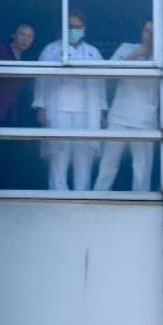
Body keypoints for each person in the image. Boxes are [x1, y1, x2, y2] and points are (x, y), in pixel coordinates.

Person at [32, 10, 106, 191]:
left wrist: (103, 111)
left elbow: (101, 84)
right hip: (58, 109)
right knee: (58, 155)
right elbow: (40, 79)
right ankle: (57, 196)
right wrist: (40, 106)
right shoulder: (50, 50)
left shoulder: (93, 53)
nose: (75, 30)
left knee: (84, 157)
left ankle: (83, 198)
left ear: (84, 29)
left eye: (78, 27)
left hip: (86, 112)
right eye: (71, 27)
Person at [93, 20, 160, 191]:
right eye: (147, 31)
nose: (149, 36)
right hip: (119, 117)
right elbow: (110, 73)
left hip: (146, 121)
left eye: (153, 32)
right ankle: (97, 201)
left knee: (142, 170)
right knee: (107, 166)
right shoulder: (126, 48)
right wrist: (135, 55)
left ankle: (141, 208)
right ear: (141, 31)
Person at [0, 23, 37, 189]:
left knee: (6, 156)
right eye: (22, 34)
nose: (26, 39)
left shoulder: (25, 61)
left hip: (11, 117)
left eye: (30, 36)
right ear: (13, 35)